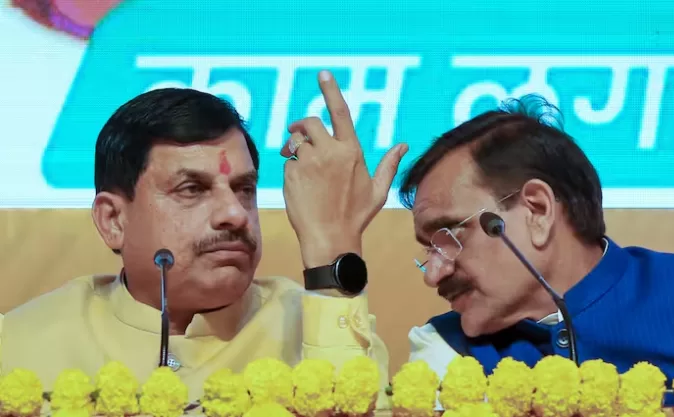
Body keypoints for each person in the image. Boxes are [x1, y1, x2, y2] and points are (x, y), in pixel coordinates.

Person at [0, 70, 405, 405]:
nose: (234, 214)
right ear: (113, 220)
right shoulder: (22, 345)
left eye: (244, 189)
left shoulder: (322, 321)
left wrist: (333, 254)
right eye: (192, 189)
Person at [398, 94, 674, 407]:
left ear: (537, 211)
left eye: (449, 236)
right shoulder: (446, 348)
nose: (434, 275)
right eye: (430, 250)